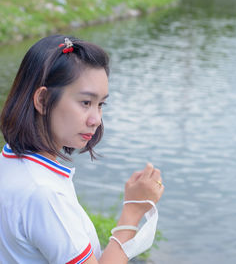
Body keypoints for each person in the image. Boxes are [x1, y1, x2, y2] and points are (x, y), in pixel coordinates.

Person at [0, 35, 164, 264]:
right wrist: (134, 211)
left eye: (101, 104)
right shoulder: (45, 194)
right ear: (43, 100)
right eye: (86, 102)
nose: (96, 119)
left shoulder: (9, 160)